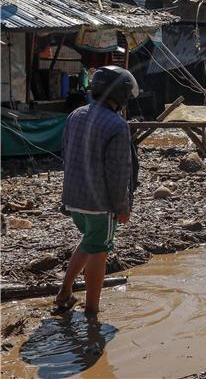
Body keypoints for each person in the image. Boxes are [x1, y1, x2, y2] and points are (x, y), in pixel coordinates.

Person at [54, 66, 140, 317]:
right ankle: (92, 310)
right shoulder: (117, 125)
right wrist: (122, 208)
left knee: (90, 240)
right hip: (99, 203)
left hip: (73, 198)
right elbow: (118, 174)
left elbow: (66, 156)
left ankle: (65, 292)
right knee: (100, 250)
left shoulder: (75, 114)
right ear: (121, 95)